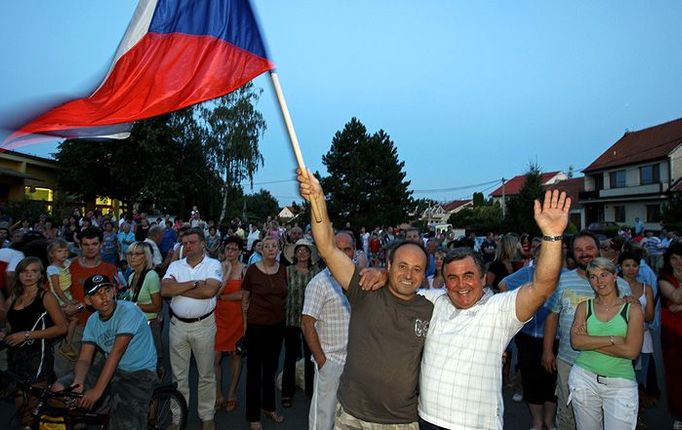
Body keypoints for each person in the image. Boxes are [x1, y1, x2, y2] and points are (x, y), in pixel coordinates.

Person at [416, 190, 570, 430]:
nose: (461, 284)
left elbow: (542, 287)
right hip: (427, 420)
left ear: (483, 278)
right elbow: (396, 289)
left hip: (477, 425)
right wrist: (381, 274)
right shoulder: (435, 300)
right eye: (452, 278)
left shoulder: (498, 310)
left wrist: (552, 237)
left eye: (468, 276)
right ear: (445, 282)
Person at [298, 170, 434, 429]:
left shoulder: (432, 307)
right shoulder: (364, 288)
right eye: (402, 266)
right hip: (351, 417)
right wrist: (318, 200)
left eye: (417, 269)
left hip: (401, 422)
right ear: (388, 264)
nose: (408, 274)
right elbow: (327, 248)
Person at [543, 232, 631, 430]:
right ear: (573, 254)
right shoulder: (562, 281)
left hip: (609, 364)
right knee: (568, 416)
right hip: (568, 360)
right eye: (579, 250)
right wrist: (547, 350)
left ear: (598, 250)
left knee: (605, 418)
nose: (585, 254)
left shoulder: (621, 285)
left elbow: (631, 326)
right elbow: (552, 316)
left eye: (589, 248)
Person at [52, 274, 158, 430]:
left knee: (124, 425)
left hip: (138, 372)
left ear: (113, 291)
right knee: (58, 390)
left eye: (107, 290)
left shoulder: (129, 311)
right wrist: (79, 382)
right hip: (110, 365)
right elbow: (85, 359)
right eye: (96, 293)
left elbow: (117, 352)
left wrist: (97, 391)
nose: (104, 296)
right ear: (88, 301)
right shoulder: (93, 320)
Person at [568, 258, 644, 430]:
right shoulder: (584, 307)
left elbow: (632, 351)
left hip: (621, 383)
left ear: (615, 276)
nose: (599, 281)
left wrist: (590, 341)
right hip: (584, 378)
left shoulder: (632, 309)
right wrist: (613, 340)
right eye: (593, 277)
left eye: (604, 275)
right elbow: (576, 342)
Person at [161, 227, 222, 430]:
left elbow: (210, 291)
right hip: (177, 325)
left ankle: (207, 416)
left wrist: (179, 288)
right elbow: (164, 290)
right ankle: (178, 417)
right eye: (185, 243)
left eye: (192, 242)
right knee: (179, 375)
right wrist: (195, 283)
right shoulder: (176, 265)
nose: (188, 246)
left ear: (202, 243)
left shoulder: (213, 264)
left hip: (203, 326)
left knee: (206, 374)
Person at [498, 240, 559, 430]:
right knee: (532, 379)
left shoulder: (564, 276)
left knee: (552, 381)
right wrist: (518, 307)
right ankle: (537, 421)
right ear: (536, 257)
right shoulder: (527, 274)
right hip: (528, 335)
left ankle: (549, 420)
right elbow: (502, 284)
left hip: (558, 337)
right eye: (542, 256)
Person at [1, 257, 67, 428]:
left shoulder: (46, 297)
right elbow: (10, 325)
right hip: (15, 358)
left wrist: (28, 335)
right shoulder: (14, 297)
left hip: (38, 358)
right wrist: (4, 333)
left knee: (31, 408)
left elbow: (62, 327)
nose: (29, 275)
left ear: (40, 275)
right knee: (21, 408)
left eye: (34, 271)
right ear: (19, 275)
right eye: (24, 271)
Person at [301, 232, 354, 430]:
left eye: (347, 248)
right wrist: (322, 361)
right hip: (331, 362)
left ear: (354, 251)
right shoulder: (319, 283)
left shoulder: (360, 280)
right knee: (323, 416)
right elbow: (307, 324)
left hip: (355, 362)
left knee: (347, 417)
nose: (342, 253)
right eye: (337, 249)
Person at [242, 236, 288, 429]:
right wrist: (245, 328)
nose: (270, 249)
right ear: (260, 250)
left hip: (277, 327)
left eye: (274, 246)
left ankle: (269, 407)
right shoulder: (252, 271)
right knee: (254, 372)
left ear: (279, 249)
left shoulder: (283, 270)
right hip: (256, 327)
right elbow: (245, 301)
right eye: (266, 246)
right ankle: (253, 415)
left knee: (270, 369)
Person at [282, 238, 320, 407]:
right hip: (291, 319)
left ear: (310, 254)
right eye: (299, 250)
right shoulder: (287, 271)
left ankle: (311, 390)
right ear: (295, 254)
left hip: (310, 320)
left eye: (306, 250)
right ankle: (287, 392)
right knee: (290, 357)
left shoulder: (316, 272)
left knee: (311, 356)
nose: (302, 253)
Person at [214, 236, 247, 412]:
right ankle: (218, 393)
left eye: (235, 250)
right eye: (228, 249)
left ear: (241, 252)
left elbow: (243, 295)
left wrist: (221, 297)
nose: (231, 253)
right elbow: (213, 291)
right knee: (215, 357)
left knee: (236, 355)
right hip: (218, 317)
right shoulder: (216, 268)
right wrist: (226, 273)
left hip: (237, 317)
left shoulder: (245, 269)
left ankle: (232, 393)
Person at [120, 241, 163, 373]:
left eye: (137, 254)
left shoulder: (151, 276)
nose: (132, 257)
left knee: (153, 361)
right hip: (136, 324)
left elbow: (157, 306)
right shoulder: (132, 276)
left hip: (150, 324)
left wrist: (135, 305)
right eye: (130, 253)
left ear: (145, 256)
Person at [618, 252, 654, 392]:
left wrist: (634, 308)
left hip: (643, 337)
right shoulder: (614, 286)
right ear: (620, 267)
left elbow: (650, 316)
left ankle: (637, 410)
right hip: (620, 337)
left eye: (635, 265)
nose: (631, 269)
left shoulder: (647, 288)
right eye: (627, 265)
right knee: (621, 379)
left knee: (639, 381)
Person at [658, 242, 682, 428]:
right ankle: (679, 415)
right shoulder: (664, 278)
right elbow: (675, 298)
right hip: (673, 337)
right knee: (675, 377)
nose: (678, 262)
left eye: (681, 258)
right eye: (674, 258)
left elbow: (677, 304)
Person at [46, 239, 79, 361]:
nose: (64, 253)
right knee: (72, 319)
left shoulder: (65, 263)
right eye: (59, 251)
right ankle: (66, 344)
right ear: (51, 254)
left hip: (67, 295)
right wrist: (67, 301)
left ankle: (65, 343)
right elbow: (56, 288)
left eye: (65, 251)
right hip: (59, 298)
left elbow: (74, 260)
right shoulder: (53, 269)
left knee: (70, 320)